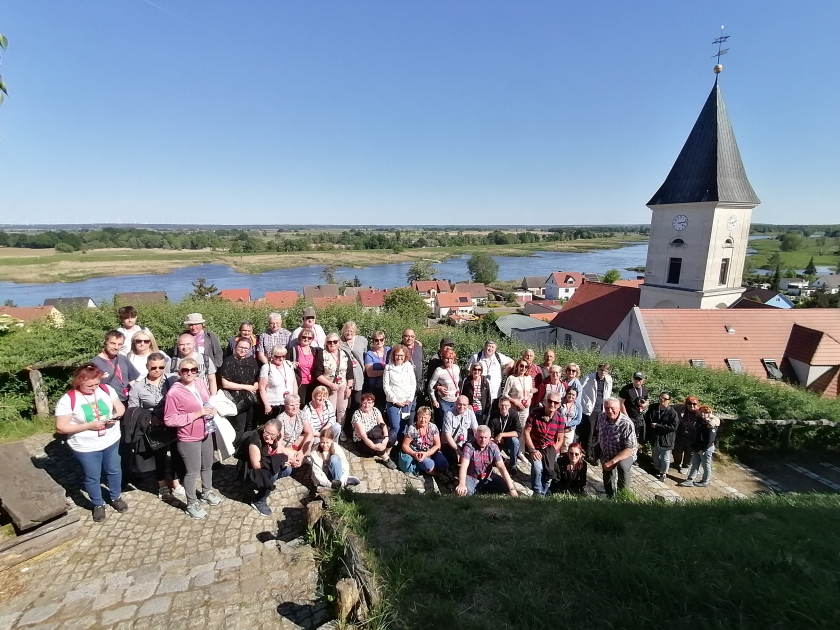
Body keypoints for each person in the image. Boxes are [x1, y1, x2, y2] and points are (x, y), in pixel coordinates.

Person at [55, 363, 128, 522]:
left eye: (97, 383)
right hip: (86, 446)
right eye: (90, 385)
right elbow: (61, 427)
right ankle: (98, 504)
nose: (94, 387)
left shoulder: (106, 390)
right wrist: (89, 426)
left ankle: (115, 497)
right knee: (92, 476)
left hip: (111, 439)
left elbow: (120, 407)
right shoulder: (68, 400)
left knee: (114, 469)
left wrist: (115, 417)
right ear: (79, 382)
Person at [163, 358, 223, 520]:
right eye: (185, 370)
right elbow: (169, 419)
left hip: (206, 431)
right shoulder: (174, 393)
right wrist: (197, 414)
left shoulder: (200, 382)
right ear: (179, 372)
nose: (190, 373)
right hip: (188, 437)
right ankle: (191, 503)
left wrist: (213, 408)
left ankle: (207, 492)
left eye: (193, 369)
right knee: (192, 471)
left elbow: (206, 400)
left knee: (208, 465)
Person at [127, 352, 185, 501]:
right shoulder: (138, 387)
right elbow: (133, 409)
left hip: (173, 423)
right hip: (155, 427)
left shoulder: (172, 380)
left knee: (177, 454)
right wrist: (149, 417)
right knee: (159, 457)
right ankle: (162, 484)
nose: (158, 370)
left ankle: (176, 482)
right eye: (154, 368)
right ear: (147, 366)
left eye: (161, 367)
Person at [244, 418, 293, 517]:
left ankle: (262, 485)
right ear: (264, 428)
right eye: (266, 432)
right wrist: (276, 463)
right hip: (251, 471)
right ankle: (259, 500)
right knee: (273, 473)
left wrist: (280, 443)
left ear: (278, 434)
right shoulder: (255, 442)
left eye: (272, 434)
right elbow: (256, 465)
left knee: (288, 470)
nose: (268, 436)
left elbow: (280, 453)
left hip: (265, 465)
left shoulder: (276, 438)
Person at [218, 337, 260, 447]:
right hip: (236, 398)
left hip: (251, 397)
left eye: (246, 348)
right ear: (235, 347)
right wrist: (246, 387)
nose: (243, 350)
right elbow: (225, 384)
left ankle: (248, 447)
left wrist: (256, 384)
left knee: (251, 424)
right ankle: (236, 448)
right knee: (239, 426)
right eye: (240, 347)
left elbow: (257, 377)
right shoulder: (228, 361)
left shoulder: (252, 361)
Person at [455, 426, 518, 497]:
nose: (483, 440)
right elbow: (464, 466)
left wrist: (511, 488)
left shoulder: (494, 447)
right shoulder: (469, 447)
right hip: (472, 477)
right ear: (476, 436)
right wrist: (462, 484)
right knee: (466, 492)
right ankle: (477, 490)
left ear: (490, 437)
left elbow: (501, 467)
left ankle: (481, 489)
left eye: (486, 437)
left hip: (488, 477)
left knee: (505, 487)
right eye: (481, 437)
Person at [312, 333, 354, 436]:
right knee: (330, 410)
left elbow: (350, 373)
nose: (332, 344)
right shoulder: (322, 354)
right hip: (328, 387)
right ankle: (329, 431)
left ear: (339, 343)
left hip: (343, 386)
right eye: (329, 342)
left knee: (342, 410)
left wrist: (349, 387)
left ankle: (341, 430)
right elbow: (316, 373)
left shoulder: (344, 354)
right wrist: (330, 384)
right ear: (326, 343)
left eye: (335, 341)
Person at [595, 398, 638, 498]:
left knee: (622, 467)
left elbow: (629, 448)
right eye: (607, 408)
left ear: (619, 408)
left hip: (625, 453)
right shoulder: (601, 416)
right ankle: (610, 496)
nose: (609, 411)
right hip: (607, 451)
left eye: (612, 408)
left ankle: (623, 495)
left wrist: (612, 461)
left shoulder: (626, 423)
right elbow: (598, 432)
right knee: (607, 471)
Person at [524, 394, 565, 497]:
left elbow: (560, 440)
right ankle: (537, 492)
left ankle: (544, 491)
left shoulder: (560, 419)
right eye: (550, 401)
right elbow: (526, 432)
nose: (552, 404)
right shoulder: (535, 413)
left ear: (559, 405)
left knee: (550, 470)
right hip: (536, 447)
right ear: (545, 401)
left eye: (555, 402)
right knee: (538, 468)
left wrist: (549, 452)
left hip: (550, 449)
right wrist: (532, 450)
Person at [91, 330, 140, 404]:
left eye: (119, 344)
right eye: (113, 343)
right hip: (108, 402)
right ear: (105, 342)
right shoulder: (95, 362)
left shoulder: (123, 359)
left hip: (127, 399)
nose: (116, 347)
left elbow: (132, 380)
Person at [678, 405, 720, 488]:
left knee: (706, 465)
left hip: (706, 448)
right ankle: (690, 480)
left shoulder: (712, 423)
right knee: (695, 463)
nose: (703, 414)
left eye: (706, 412)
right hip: (697, 446)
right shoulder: (700, 421)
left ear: (709, 414)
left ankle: (705, 481)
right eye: (702, 412)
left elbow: (710, 439)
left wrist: (704, 449)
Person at [399, 406, 448, 476]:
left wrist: (427, 454)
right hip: (419, 453)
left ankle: (442, 470)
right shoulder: (412, 429)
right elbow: (405, 445)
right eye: (421, 417)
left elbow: (438, 445)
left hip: (432, 451)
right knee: (429, 466)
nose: (423, 420)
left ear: (430, 418)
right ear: (417, 416)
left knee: (444, 464)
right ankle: (438, 475)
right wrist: (414, 454)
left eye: (426, 418)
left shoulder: (433, 427)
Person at [578, 363, 613, 462]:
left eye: (605, 371)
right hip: (591, 409)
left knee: (598, 433)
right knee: (590, 432)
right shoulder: (590, 378)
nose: (603, 372)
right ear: (598, 369)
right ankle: (588, 455)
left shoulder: (608, 379)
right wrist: (586, 401)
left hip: (602, 410)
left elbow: (608, 393)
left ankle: (595, 454)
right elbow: (579, 388)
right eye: (601, 370)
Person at [352, 393, 396, 469]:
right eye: (364, 403)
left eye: (369, 403)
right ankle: (386, 459)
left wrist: (386, 438)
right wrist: (373, 446)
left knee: (393, 435)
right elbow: (363, 436)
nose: (367, 405)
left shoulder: (375, 410)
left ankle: (386, 453)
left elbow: (382, 424)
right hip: (362, 441)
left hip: (376, 434)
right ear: (361, 403)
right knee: (378, 442)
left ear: (373, 403)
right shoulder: (357, 414)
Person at [382, 343, 416, 442]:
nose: (399, 357)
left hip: (406, 403)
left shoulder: (408, 366)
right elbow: (386, 386)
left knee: (404, 425)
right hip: (393, 403)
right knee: (395, 427)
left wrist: (409, 399)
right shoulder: (388, 367)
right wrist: (395, 401)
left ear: (405, 356)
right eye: (397, 355)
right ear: (393, 355)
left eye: (401, 355)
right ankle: (389, 446)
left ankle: (401, 447)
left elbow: (413, 383)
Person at [646, 392, 679, 481]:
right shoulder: (653, 408)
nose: (662, 400)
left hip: (666, 438)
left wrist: (658, 425)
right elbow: (647, 419)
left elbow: (673, 427)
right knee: (655, 454)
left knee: (665, 457)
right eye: (661, 398)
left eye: (665, 399)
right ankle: (657, 469)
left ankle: (664, 473)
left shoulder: (672, 413)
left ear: (669, 401)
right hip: (654, 437)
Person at [258, 346, 298, 420]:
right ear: (272, 356)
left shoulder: (288, 364)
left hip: (289, 403)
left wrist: (295, 398)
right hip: (274, 404)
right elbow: (262, 388)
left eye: (283, 356)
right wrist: (267, 405)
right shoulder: (266, 367)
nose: (281, 358)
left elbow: (294, 382)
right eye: (278, 356)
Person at [340, 320, 368, 423]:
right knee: (346, 403)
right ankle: (345, 428)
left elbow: (366, 354)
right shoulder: (339, 342)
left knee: (357, 402)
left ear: (355, 331)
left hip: (359, 375)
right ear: (343, 331)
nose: (349, 333)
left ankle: (355, 426)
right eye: (347, 331)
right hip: (345, 376)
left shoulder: (362, 341)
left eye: (351, 331)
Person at [277, 394, 313, 470]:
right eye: (291, 405)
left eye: (297, 405)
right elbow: (279, 442)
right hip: (284, 445)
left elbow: (309, 432)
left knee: (311, 438)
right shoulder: (281, 419)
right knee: (296, 459)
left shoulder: (301, 413)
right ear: (285, 406)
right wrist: (290, 456)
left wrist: (302, 451)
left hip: (294, 441)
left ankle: (302, 457)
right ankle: (296, 460)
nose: (295, 408)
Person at [441, 396, 478, 467]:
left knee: (472, 456)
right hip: (450, 443)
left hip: (463, 442)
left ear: (468, 405)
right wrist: (457, 450)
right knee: (454, 459)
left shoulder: (470, 413)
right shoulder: (449, 413)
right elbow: (447, 436)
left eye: (464, 405)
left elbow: (475, 429)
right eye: (459, 404)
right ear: (455, 403)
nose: (462, 407)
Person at [427, 347, 460, 425]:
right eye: (447, 358)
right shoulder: (439, 370)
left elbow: (458, 383)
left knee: (455, 422)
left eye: (451, 358)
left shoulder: (456, 368)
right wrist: (434, 400)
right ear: (443, 359)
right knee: (445, 423)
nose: (449, 361)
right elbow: (430, 386)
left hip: (456, 400)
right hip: (445, 402)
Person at [488, 397, 520, 472]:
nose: (504, 407)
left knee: (515, 441)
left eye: (506, 405)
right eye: (502, 405)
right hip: (496, 440)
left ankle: (513, 465)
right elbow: (490, 435)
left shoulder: (514, 414)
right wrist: (494, 440)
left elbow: (518, 432)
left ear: (509, 406)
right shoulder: (493, 416)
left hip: (508, 439)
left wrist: (502, 434)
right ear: (498, 405)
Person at [501, 359, 534, 433]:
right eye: (521, 366)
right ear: (517, 366)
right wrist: (515, 402)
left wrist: (529, 400)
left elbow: (531, 392)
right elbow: (505, 394)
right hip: (514, 408)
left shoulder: (528, 378)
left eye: (526, 366)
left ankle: (521, 445)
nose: (523, 368)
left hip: (525, 409)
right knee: (512, 429)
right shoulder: (511, 378)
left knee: (522, 430)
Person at [618, 372, 649, 448]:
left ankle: (634, 453)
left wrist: (644, 405)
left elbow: (647, 400)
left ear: (643, 380)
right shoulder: (626, 389)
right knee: (628, 437)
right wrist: (626, 417)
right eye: (636, 378)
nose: (637, 380)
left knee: (637, 437)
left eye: (639, 379)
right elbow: (621, 403)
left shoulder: (644, 390)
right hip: (629, 416)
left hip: (639, 417)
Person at [287, 329, 317, 404]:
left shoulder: (315, 351)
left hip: (312, 383)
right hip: (299, 383)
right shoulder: (293, 350)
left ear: (312, 340)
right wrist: (290, 364)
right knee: (300, 404)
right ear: (300, 338)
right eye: (304, 337)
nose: (306, 339)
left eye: (309, 338)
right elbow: (283, 363)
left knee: (311, 404)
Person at [673, 396, 700, 473]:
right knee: (676, 451)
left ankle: (686, 465)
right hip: (680, 435)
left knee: (689, 453)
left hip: (692, 437)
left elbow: (710, 415)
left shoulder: (700, 412)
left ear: (697, 404)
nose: (692, 406)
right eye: (689, 403)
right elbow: (668, 406)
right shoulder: (681, 409)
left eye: (694, 404)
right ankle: (676, 463)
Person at [401, 328, 424, 419]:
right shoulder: (400, 349)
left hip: (417, 383)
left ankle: (411, 428)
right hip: (405, 385)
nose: (409, 338)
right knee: (405, 409)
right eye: (407, 336)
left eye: (412, 336)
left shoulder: (419, 347)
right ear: (402, 337)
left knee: (414, 408)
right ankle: (404, 430)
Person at [364, 331, 390, 412]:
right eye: (376, 340)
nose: (379, 342)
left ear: (384, 340)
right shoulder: (370, 354)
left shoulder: (389, 350)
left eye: (381, 339)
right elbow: (370, 373)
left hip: (389, 386)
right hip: (377, 387)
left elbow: (402, 349)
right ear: (373, 341)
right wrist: (386, 372)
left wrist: (417, 343)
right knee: (378, 410)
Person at [557, 387, 583, 453]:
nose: (571, 396)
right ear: (566, 393)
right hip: (558, 428)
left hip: (569, 430)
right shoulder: (560, 402)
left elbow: (578, 420)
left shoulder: (578, 406)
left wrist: (566, 424)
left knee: (566, 449)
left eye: (573, 395)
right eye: (569, 393)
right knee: (556, 447)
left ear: (576, 396)